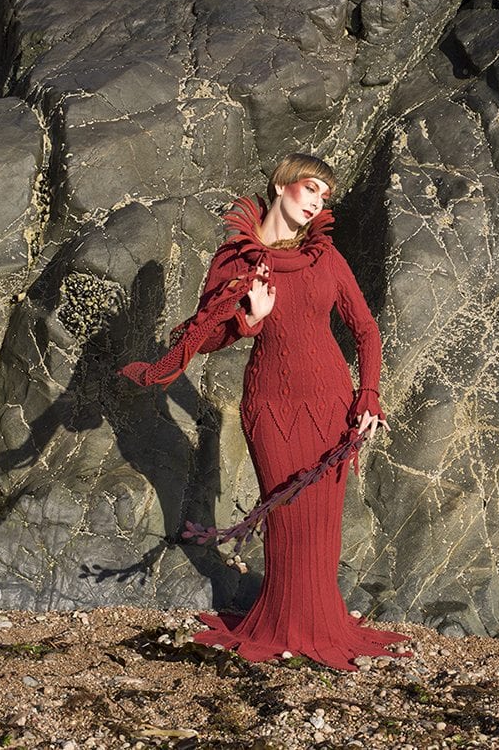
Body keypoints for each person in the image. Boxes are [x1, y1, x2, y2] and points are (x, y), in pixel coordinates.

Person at [121, 153, 410, 670]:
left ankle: (322, 625)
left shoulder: (326, 257)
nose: (318, 202)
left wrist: (368, 395)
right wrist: (249, 321)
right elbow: (201, 338)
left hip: (332, 404)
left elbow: (366, 329)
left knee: (323, 523)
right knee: (287, 518)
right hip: (271, 407)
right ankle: (283, 624)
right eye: (311, 188)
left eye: (326, 195)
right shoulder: (237, 259)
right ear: (281, 185)